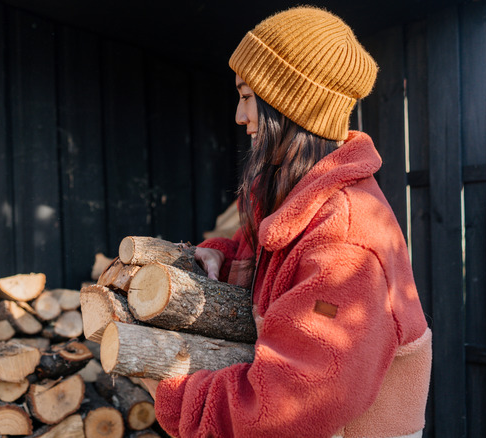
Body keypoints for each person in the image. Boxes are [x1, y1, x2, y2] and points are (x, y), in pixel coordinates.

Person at [142, 6, 432, 438]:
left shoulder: (346, 242)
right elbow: (269, 254)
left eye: (246, 96)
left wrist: (168, 388)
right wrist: (222, 257)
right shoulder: (300, 201)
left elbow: (285, 407)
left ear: (289, 104)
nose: (240, 117)